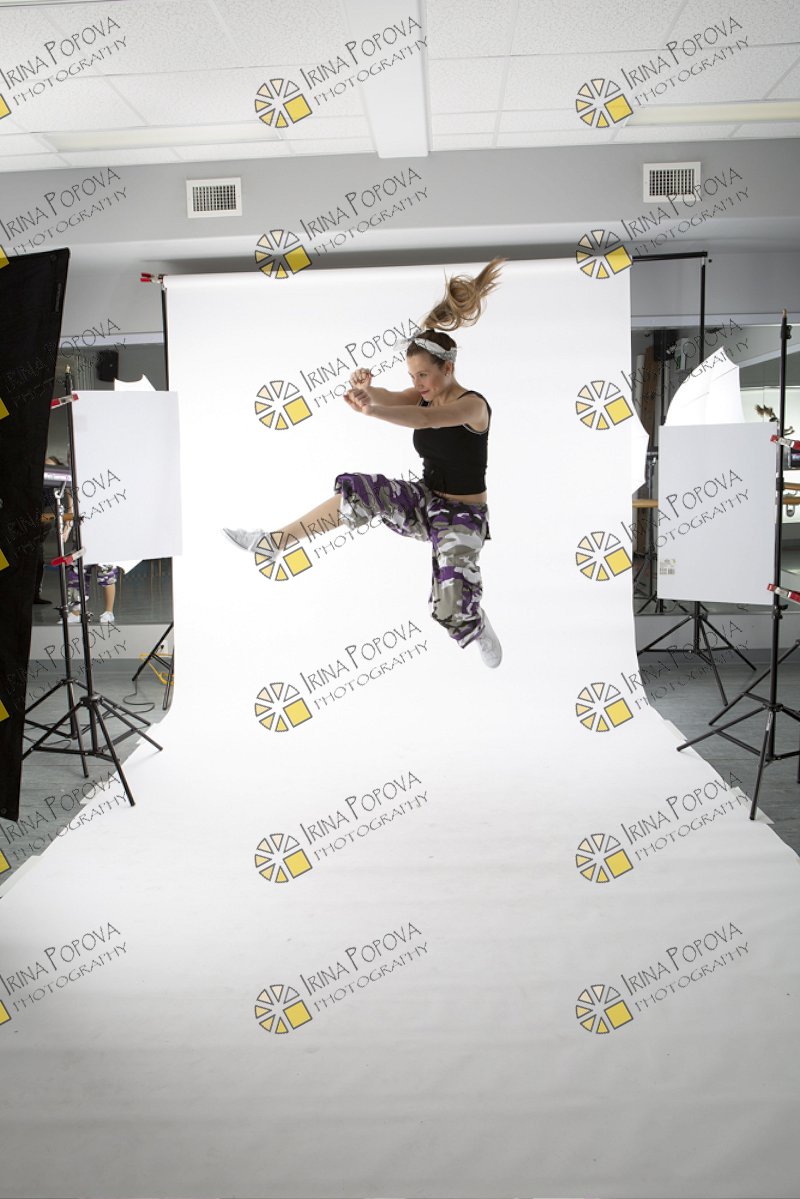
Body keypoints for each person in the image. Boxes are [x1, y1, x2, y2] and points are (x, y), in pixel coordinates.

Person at [224, 259, 505, 668]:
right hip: (425, 501)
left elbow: (426, 420)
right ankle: (273, 542)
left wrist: (373, 411)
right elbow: (392, 397)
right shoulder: (421, 395)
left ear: (448, 368)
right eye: (412, 376)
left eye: (423, 376)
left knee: (450, 610)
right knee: (361, 491)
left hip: (463, 517)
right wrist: (367, 391)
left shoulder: (472, 406)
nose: (417, 384)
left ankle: (475, 624)